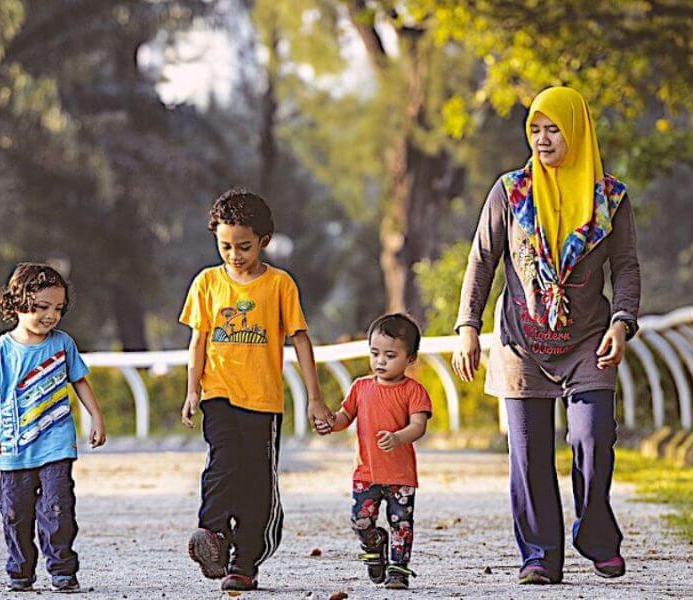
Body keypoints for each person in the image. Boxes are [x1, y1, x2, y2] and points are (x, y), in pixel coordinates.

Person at [452, 86, 640, 585]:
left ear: (576, 131)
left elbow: (624, 268)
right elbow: (482, 260)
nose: (542, 138)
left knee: (594, 438)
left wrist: (622, 322)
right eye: (535, 129)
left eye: (553, 128)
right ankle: (539, 556)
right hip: (521, 340)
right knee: (530, 455)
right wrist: (468, 325)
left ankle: (596, 534)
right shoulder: (510, 192)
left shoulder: (611, 199)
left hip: (589, 340)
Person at [180, 187, 334, 592]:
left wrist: (315, 398)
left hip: (262, 401)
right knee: (221, 465)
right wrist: (193, 390)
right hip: (218, 394)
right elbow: (198, 340)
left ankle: (244, 560)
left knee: (256, 482)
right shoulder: (207, 283)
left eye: (243, 246)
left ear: (264, 241)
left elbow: (300, 339)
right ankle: (212, 535)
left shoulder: (280, 285)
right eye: (225, 246)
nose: (234, 255)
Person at [0, 262, 107, 592]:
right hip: (15, 448)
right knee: (15, 513)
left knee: (58, 509)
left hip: (56, 444)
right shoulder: (1, 350)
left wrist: (96, 418)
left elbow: (80, 382)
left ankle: (62, 569)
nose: (51, 316)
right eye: (42, 307)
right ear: (18, 303)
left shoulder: (63, 344)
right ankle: (20, 570)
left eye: (58, 308)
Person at [316, 313, 431, 590]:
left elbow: (419, 426)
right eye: (375, 353)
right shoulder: (360, 387)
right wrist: (330, 423)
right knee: (361, 520)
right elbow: (345, 416)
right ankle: (374, 545)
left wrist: (398, 437)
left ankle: (398, 570)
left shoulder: (414, 391)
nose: (380, 361)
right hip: (366, 471)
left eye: (390, 355)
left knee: (401, 523)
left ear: (410, 358)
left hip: (400, 475)